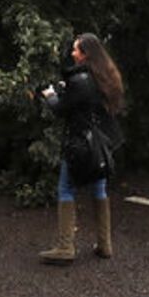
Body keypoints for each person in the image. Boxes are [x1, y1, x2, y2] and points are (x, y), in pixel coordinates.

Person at [38, 33, 124, 264]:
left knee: (66, 188)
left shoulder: (80, 80)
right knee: (99, 188)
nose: (72, 53)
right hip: (102, 144)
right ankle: (105, 245)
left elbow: (61, 109)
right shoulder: (107, 77)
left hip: (79, 144)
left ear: (86, 55)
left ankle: (65, 247)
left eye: (76, 50)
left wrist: (51, 96)